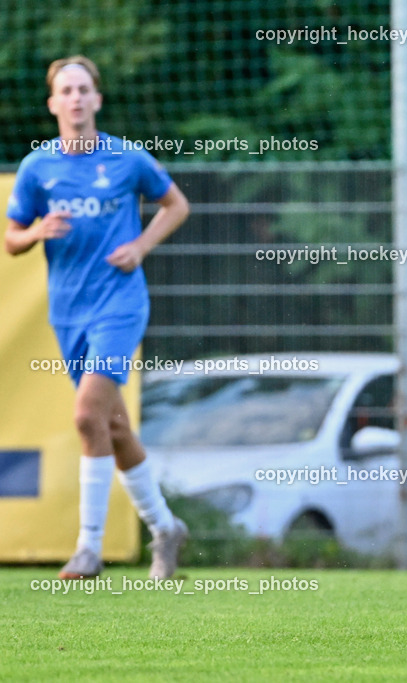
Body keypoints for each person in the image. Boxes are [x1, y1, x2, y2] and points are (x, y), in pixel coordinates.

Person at [5, 56, 191, 580]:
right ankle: (166, 528)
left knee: (88, 416)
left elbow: (176, 205)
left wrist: (140, 245)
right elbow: (11, 239)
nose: (76, 98)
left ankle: (87, 548)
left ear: (98, 99)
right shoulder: (38, 167)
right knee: (113, 425)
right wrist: (36, 232)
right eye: (66, 90)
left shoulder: (127, 158)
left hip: (120, 304)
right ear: (53, 103)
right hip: (69, 313)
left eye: (85, 89)